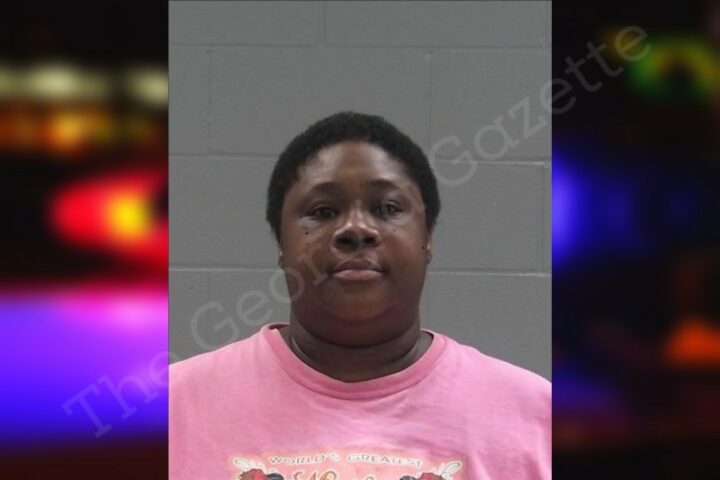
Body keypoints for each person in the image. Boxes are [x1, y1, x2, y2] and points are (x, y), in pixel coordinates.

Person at [170, 112, 550, 480]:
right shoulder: (173, 408)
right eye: (323, 211)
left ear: (427, 237)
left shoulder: (536, 417)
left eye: (388, 208)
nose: (356, 229)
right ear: (281, 243)